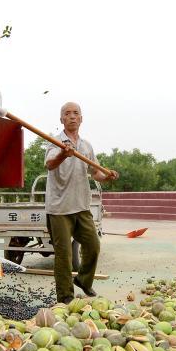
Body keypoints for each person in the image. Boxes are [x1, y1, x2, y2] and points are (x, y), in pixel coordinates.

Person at [44, 101, 118, 302]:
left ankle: (84, 281)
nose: (72, 116)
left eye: (76, 113)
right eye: (67, 113)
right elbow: (50, 164)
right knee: (64, 254)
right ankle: (65, 295)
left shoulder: (86, 146)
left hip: (81, 206)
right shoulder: (55, 142)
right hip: (59, 209)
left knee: (93, 245)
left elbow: (95, 173)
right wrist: (62, 154)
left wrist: (107, 176)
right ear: (62, 119)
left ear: (81, 118)